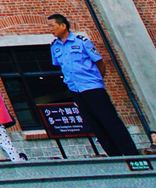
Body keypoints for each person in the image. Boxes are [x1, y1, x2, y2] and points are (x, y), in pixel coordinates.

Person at [47, 12, 136, 156]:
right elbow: (60, 65)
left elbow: (99, 62)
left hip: (92, 87)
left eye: (52, 26)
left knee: (109, 120)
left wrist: (97, 80)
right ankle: (114, 154)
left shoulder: (81, 41)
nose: (51, 29)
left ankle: (130, 153)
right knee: (94, 123)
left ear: (63, 26)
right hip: (75, 89)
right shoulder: (55, 47)